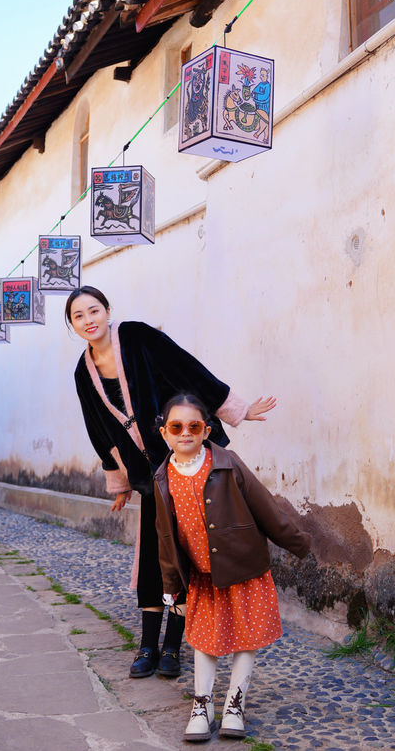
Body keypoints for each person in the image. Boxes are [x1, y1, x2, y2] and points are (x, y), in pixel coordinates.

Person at [66, 286, 276, 681]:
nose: (88, 320)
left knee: (185, 554)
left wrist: (238, 409)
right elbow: (97, 428)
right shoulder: (83, 372)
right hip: (148, 477)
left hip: (183, 463)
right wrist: (120, 482)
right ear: (73, 325)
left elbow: (186, 368)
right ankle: (147, 644)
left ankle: (173, 647)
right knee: (153, 557)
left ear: (108, 311)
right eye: (78, 316)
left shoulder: (138, 336)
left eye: (94, 310)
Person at [154, 393, 311, 742]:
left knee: (247, 638)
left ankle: (234, 705)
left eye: (193, 426)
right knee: (203, 642)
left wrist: (299, 541)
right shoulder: (163, 477)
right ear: (164, 433)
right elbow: (164, 536)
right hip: (202, 577)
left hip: (244, 570)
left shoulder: (227, 463)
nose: (185, 433)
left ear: (206, 430)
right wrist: (172, 586)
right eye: (176, 427)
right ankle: (202, 704)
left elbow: (265, 506)